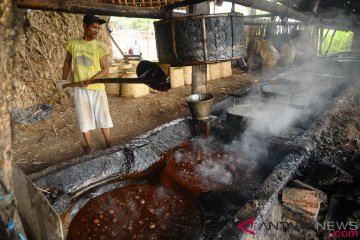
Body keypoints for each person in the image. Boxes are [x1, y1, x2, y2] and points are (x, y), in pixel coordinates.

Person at [61, 15, 113, 154]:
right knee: (84, 117)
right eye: (94, 27)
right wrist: (63, 79)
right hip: (80, 88)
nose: (97, 31)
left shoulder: (100, 47)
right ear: (84, 26)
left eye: (99, 28)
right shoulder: (73, 44)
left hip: (97, 88)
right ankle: (89, 145)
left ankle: (109, 144)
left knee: (103, 116)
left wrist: (91, 80)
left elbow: (106, 69)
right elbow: (67, 62)